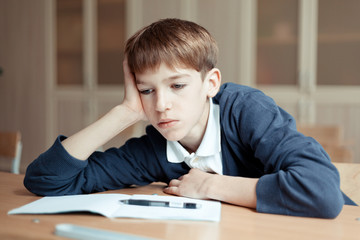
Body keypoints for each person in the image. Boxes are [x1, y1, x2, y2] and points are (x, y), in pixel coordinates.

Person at [24, 18, 355, 218]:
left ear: (210, 83)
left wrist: (210, 185)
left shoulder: (246, 110)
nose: (162, 105)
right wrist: (124, 113)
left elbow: (322, 194)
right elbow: (45, 181)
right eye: (146, 90)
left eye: (177, 85)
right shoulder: (156, 148)